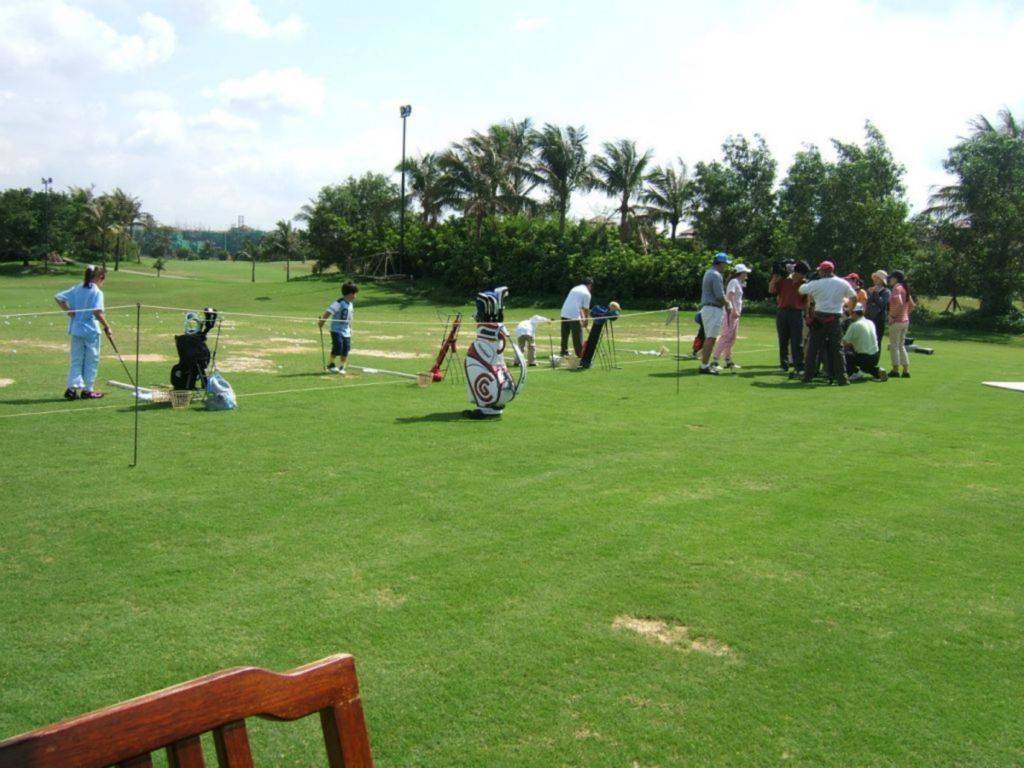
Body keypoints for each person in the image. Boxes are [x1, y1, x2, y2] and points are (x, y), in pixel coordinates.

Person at [54, 265, 113, 400]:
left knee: (76, 360)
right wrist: (107, 327)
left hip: (76, 330)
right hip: (91, 331)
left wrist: (69, 311)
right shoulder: (97, 292)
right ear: (100, 277)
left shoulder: (77, 288)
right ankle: (87, 390)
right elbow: (97, 312)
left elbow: (58, 297)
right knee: (91, 360)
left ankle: (72, 389)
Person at [798, 261, 856, 385]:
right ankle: (842, 378)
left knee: (813, 349)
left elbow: (801, 290)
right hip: (835, 319)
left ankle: (808, 376)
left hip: (819, 318)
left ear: (823, 271)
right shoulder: (842, 283)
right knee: (838, 349)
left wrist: (810, 282)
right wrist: (850, 311)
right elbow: (854, 297)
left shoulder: (817, 283)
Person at [769, 260, 809, 374]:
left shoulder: (804, 284)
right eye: (803, 274)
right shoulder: (784, 281)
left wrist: (806, 314)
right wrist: (774, 279)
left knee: (797, 341)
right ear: (797, 272)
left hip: (796, 313)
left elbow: (806, 301)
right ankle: (783, 365)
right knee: (783, 340)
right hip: (782, 312)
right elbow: (771, 290)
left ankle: (799, 366)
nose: (804, 276)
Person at [712, 263, 751, 369]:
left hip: (735, 314)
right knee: (726, 336)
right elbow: (730, 296)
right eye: (745, 272)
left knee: (732, 337)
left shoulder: (738, 282)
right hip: (731, 313)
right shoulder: (734, 281)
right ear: (740, 273)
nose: (746, 274)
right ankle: (715, 360)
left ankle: (728, 360)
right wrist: (733, 310)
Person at [698, 252, 731, 375]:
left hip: (708, 309)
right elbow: (719, 295)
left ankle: (705, 364)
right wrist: (728, 304)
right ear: (720, 263)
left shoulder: (709, 272)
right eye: (725, 264)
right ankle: (704, 366)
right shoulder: (716, 275)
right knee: (711, 338)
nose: (726, 266)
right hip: (713, 309)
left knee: (709, 338)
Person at [318, 282, 358, 374]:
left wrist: (351, 328)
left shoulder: (350, 305)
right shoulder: (339, 303)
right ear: (350, 294)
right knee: (338, 346)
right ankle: (331, 364)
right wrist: (322, 322)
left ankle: (342, 367)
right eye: (355, 294)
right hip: (336, 330)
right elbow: (328, 312)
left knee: (346, 348)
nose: (355, 296)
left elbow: (350, 318)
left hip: (346, 331)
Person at [842, 303, 887, 381]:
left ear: (854, 313)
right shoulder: (870, 322)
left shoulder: (854, 325)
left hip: (864, 356)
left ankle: (854, 372)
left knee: (845, 355)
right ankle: (877, 371)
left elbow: (844, 343)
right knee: (866, 366)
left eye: (851, 313)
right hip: (875, 355)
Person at [887, 270, 915, 378]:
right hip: (905, 321)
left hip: (896, 321)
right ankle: (906, 370)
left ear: (895, 279)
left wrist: (893, 316)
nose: (889, 280)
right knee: (901, 345)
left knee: (894, 346)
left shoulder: (897, 288)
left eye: (891, 278)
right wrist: (904, 314)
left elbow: (899, 302)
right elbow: (912, 305)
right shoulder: (905, 288)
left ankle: (895, 370)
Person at [559, 278, 592, 358]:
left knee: (565, 334)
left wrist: (583, 319)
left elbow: (579, 307)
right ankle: (580, 353)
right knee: (577, 335)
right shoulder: (587, 293)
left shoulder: (574, 288)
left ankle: (564, 351)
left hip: (564, 312)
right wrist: (586, 321)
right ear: (590, 285)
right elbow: (586, 309)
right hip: (574, 314)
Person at [865, 270, 891, 345]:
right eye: (875, 277)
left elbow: (882, 304)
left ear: (882, 280)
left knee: (877, 341)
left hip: (879, 319)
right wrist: (870, 293)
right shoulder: (870, 290)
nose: (875, 279)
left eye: (877, 278)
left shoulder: (886, 292)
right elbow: (866, 303)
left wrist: (875, 293)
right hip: (869, 318)